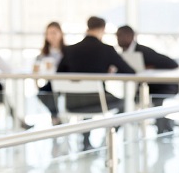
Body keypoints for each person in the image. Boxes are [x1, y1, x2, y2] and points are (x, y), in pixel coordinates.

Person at [57, 16, 135, 151]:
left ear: (88, 28)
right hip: (98, 101)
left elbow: (59, 75)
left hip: (72, 102)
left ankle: (86, 140)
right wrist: (110, 73)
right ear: (102, 29)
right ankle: (109, 134)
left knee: (87, 97)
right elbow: (129, 71)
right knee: (125, 103)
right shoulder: (107, 49)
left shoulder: (70, 50)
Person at [116, 25, 179, 134]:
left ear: (130, 36)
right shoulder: (122, 53)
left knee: (150, 104)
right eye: (117, 36)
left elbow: (172, 64)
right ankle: (165, 125)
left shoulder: (143, 51)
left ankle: (162, 130)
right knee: (128, 103)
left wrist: (150, 68)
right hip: (143, 88)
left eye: (120, 36)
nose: (118, 39)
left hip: (162, 87)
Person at [34, 21, 65, 126]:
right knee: (42, 93)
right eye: (49, 33)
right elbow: (35, 70)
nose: (51, 36)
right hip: (51, 83)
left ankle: (56, 117)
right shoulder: (43, 54)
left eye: (54, 33)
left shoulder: (67, 51)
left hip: (65, 82)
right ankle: (56, 116)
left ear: (61, 33)